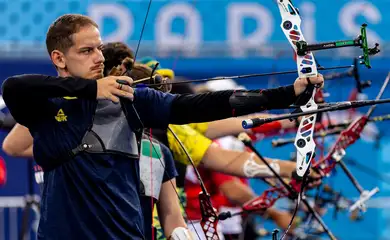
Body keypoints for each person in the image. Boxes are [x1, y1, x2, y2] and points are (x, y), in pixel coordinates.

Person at [2, 13, 324, 239]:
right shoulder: (46, 108)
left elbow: (201, 106)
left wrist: (286, 94)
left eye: (99, 47)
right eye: (86, 51)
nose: (98, 57)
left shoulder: (133, 100)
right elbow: (14, 87)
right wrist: (90, 90)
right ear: (59, 59)